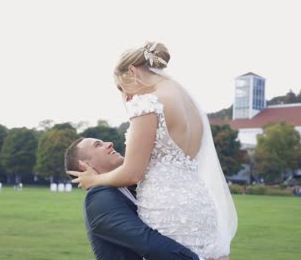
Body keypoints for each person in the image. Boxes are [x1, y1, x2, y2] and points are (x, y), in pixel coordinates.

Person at [67, 42, 237, 259]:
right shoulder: (187, 100)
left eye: (121, 87)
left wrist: (94, 181)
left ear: (131, 72)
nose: (126, 97)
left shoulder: (146, 103)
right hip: (200, 205)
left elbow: (133, 173)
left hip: (168, 211)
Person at [64, 137, 208, 260]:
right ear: (85, 166)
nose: (109, 143)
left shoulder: (127, 187)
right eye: (98, 145)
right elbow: (147, 242)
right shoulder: (98, 198)